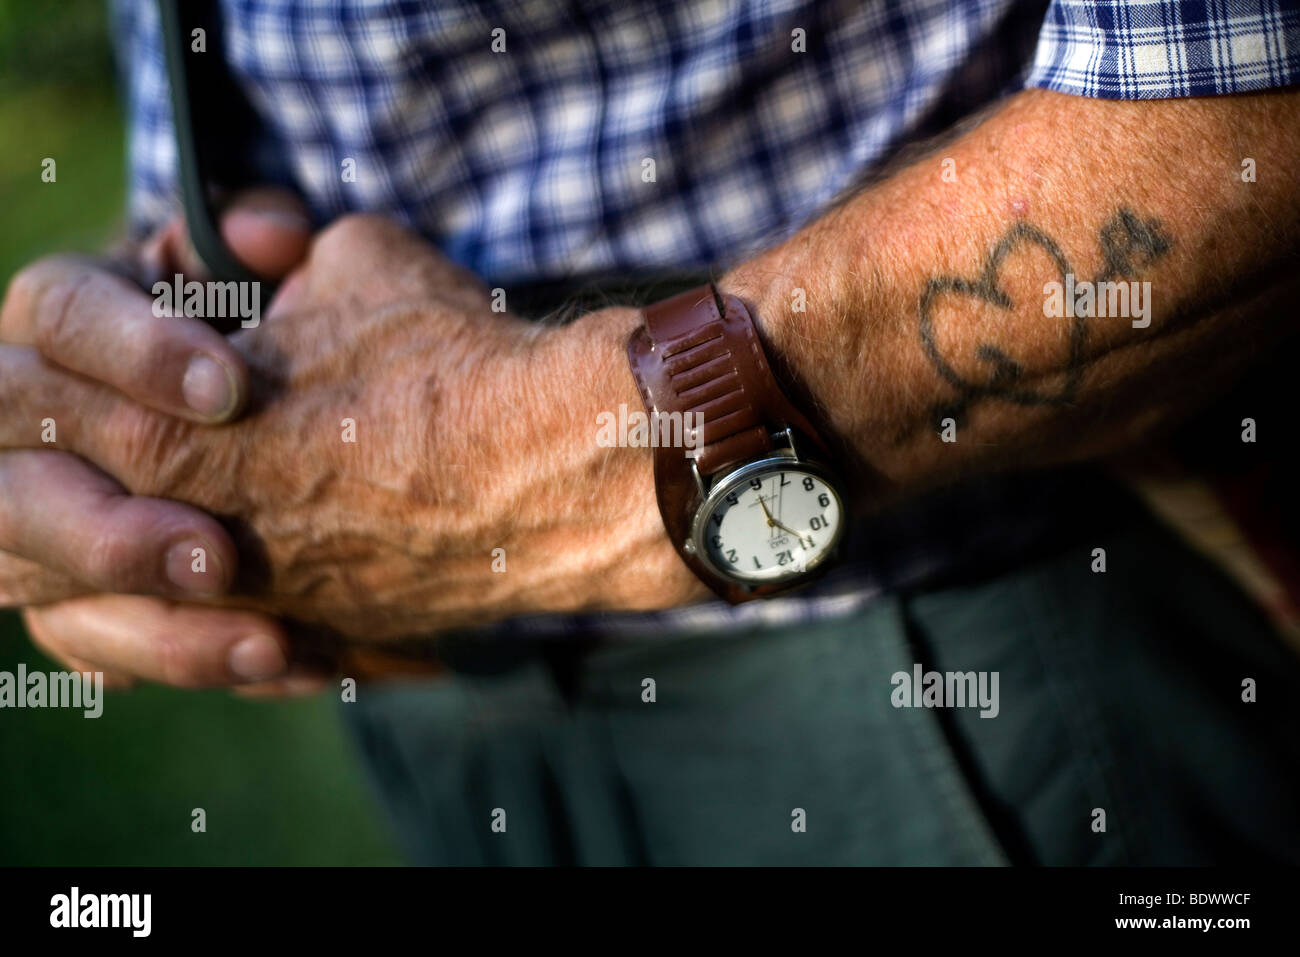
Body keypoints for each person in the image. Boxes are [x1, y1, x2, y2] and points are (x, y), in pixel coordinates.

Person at [2, 0, 1299, 864]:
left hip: (945, 683)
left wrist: (553, 456)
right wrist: (135, 419)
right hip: (446, 734)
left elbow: (1248, 109)